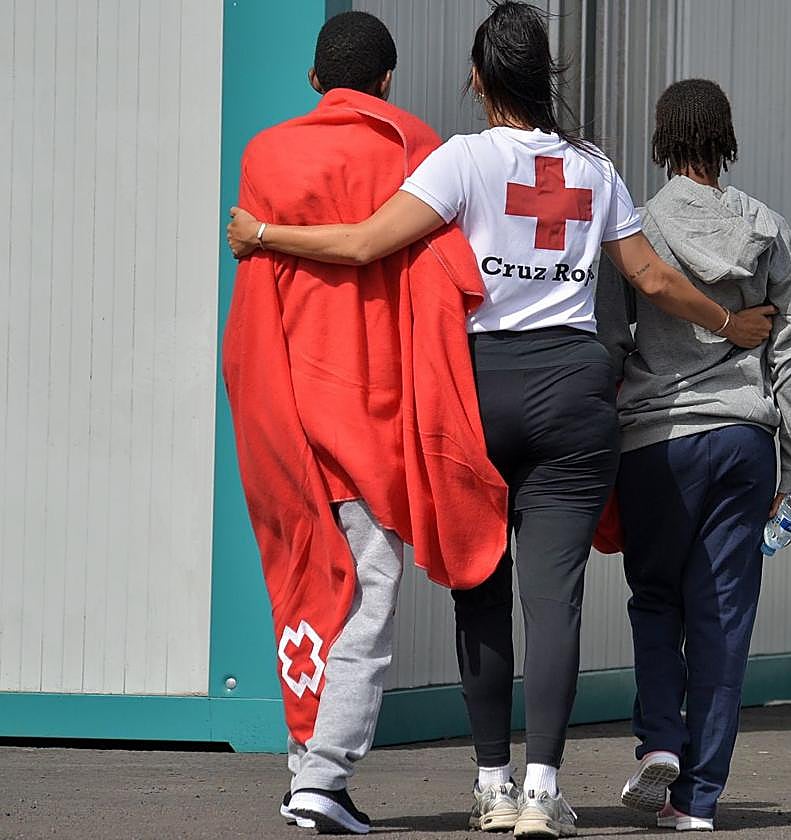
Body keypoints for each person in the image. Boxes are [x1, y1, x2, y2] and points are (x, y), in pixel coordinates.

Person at [227, 5, 776, 836]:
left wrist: (265, 233)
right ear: (543, 74)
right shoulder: (594, 167)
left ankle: (491, 784)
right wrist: (731, 323)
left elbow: (366, 243)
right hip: (575, 393)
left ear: (480, 80)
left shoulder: (460, 160)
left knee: (479, 590)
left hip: (477, 394)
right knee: (553, 602)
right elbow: (653, 280)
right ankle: (542, 792)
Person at [223, 11, 509, 835]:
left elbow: (255, 293)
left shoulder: (265, 155)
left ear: (316, 80)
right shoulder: (418, 149)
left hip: (286, 404)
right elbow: (451, 280)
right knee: (367, 595)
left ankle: (303, 766)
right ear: (386, 80)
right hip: (375, 412)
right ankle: (323, 777)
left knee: (308, 581)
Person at [596, 79, 791, 832]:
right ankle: (696, 802)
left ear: (663, 140)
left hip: (657, 445)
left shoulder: (635, 231)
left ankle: (661, 741)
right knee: (723, 616)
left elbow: (610, 343)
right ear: (726, 139)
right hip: (743, 442)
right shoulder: (767, 228)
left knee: (656, 598)